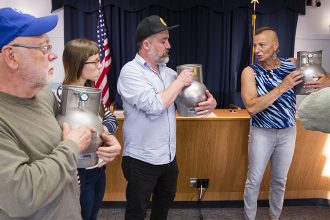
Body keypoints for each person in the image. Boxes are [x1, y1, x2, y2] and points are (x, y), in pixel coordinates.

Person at [0, 8, 121, 220]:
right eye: (43, 47)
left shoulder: (44, 96)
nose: (53, 54)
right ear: (11, 56)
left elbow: (72, 132)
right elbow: (21, 196)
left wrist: (102, 143)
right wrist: (72, 147)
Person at [117, 15, 217, 220]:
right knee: (137, 211)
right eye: (163, 41)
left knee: (163, 206)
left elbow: (191, 101)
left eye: (168, 40)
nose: (169, 45)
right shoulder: (130, 72)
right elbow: (155, 106)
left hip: (168, 157)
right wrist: (179, 82)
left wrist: (210, 101)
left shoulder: (169, 73)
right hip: (141, 158)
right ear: (146, 44)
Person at [241, 27, 304, 220]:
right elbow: (251, 107)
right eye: (255, 46)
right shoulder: (250, 72)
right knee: (254, 180)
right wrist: (283, 87)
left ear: (275, 45)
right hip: (262, 132)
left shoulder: (291, 64)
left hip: (288, 132)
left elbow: (323, 78)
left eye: (262, 45)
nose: (257, 50)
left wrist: (322, 78)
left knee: (279, 180)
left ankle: (274, 217)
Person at [55, 39, 118, 220]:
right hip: (78, 171)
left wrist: (100, 132)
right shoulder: (61, 97)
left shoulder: (92, 93)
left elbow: (112, 119)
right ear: (78, 63)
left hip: (98, 167)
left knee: (93, 213)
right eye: (96, 61)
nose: (101, 65)